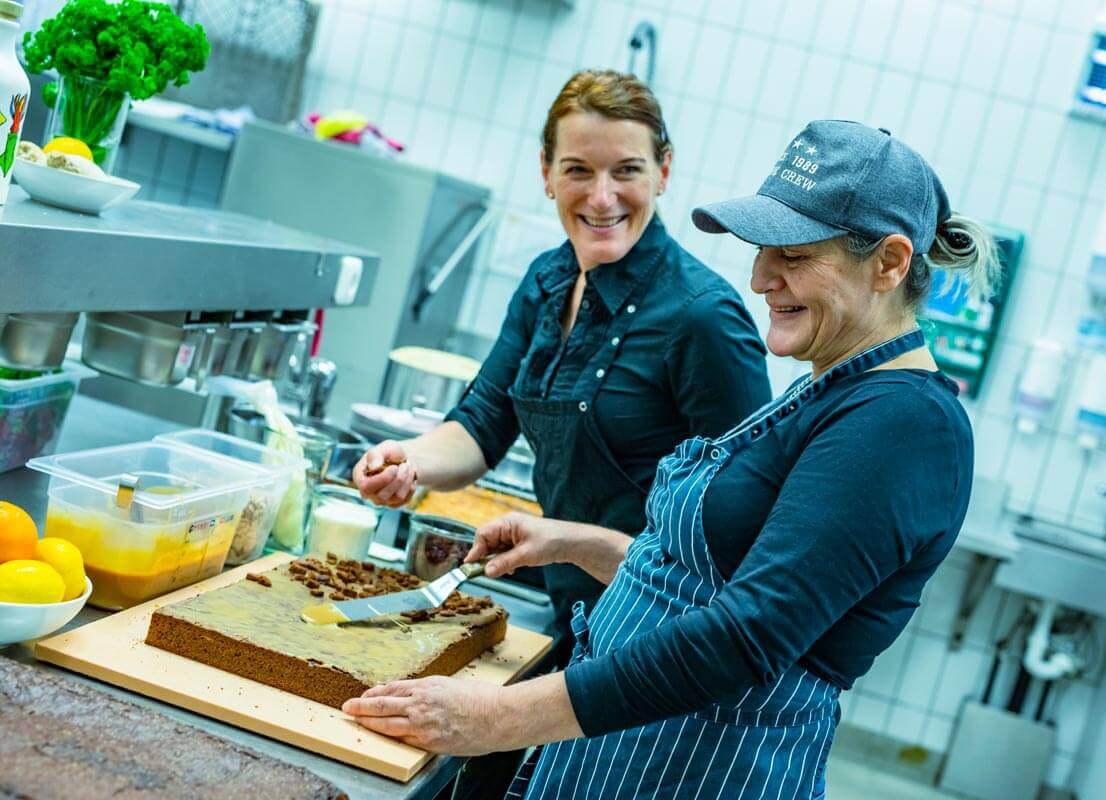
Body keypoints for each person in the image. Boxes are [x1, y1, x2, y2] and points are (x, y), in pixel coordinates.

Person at [344, 120, 999, 799]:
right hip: (630, 758)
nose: (760, 278)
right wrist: (582, 544)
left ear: (890, 263)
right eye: (762, 251)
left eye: (795, 258)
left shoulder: (903, 425)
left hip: (701, 772)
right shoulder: (834, 384)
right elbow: (711, 586)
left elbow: (744, 637)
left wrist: (493, 719)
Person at [353, 70, 770, 666]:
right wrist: (409, 463)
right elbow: (483, 421)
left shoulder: (702, 317)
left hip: (659, 636)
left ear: (664, 171)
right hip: (569, 611)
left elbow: (742, 527)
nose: (602, 198)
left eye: (626, 170)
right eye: (578, 169)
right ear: (546, 173)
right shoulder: (546, 281)